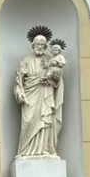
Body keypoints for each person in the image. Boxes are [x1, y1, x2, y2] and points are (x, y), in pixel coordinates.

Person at [14, 26, 62, 158]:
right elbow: (18, 80)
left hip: (46, 92)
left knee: (45, 121)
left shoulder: (50, 59)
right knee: (28, 122)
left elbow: (57, 79)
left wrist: (52, 79)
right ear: (33, 45)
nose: (40, 47)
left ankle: (44, 149)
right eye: (37, 44)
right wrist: (19, 92)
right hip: (30, 94)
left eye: (42, 44)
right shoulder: (26, 60)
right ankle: (25, 151)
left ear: (46, 46)